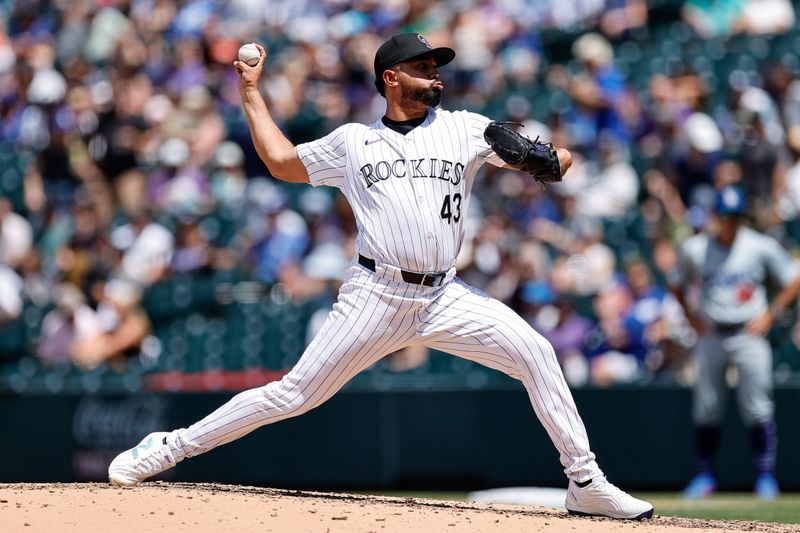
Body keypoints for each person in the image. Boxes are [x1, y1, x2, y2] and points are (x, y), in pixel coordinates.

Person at [108, 33, 653, 520]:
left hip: (445, 294)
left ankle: (585, 482)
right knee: (293, 395)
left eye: (436, 66)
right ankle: (170, 446)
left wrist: (546, 157)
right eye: (423, 66)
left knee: (536, 353)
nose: (435, 74)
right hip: (376, 293)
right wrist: (251, 90)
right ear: (391, 79)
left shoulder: (466, 129)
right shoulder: (353, 142)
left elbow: (560, 161)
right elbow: (279, 161)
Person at [669, 185, 800, 500]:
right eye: (725, 215)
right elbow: (675, 282)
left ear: (742, 217)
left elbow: (793, 278)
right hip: (712, 332)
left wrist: (771, 314)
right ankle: (705, 477)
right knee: (707, 408)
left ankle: (765, 477)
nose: (730, 221)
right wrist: (690, 316)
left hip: (748, 332)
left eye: (736, 216)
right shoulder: (695, 248)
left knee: (757, 407)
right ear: (715, 216)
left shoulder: (759, 246)